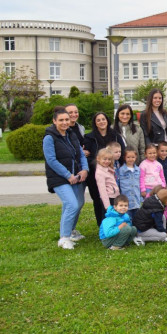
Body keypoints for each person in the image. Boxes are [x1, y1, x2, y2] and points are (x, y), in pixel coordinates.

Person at [43, 107, 89, 250]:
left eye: (66, 120)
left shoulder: (71, 134)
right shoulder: (49, 138)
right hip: (60, 178)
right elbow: (51, 160)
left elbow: (81, 154)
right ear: (54, 121)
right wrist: (67, 175)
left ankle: (70, 232)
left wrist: (85, 169)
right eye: (61, 120)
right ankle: (64, 238)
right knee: (71, 204)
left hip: (76, 176)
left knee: (78, 203)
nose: (64, 122)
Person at [83, 111, 126, 226]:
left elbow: (122, 152)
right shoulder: (89, 137)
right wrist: (101, 164)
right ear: (95, 123)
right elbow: (87, 156)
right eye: (98, 120)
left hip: (114, 173)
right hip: (96, 174)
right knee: (98, 200)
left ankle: (116, 223)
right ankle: (102, 224)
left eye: (103, 119)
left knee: (114, 199)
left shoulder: (116, 135)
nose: (101, 122)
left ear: (107, 121)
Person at [117, 147, 142, 212]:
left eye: (133, 157)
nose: (131, 159)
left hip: (136, 199)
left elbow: (140, 183)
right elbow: (118, 183)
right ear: (125, 157)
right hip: (125, 199)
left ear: (136, 157)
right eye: (128, 157)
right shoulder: (121, 170)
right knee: (127, 218)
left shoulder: (138, 170)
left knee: (136, 218)